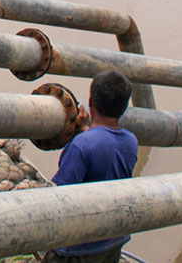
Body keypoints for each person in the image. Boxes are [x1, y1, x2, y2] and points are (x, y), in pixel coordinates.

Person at [42, 70, 139, 263]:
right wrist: (85, 128)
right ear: (124, 107)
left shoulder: (81, 145)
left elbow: (61, 196)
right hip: (113, 239)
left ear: (90, 101)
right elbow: (105, 146)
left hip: (78, 247)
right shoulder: (131, 141)